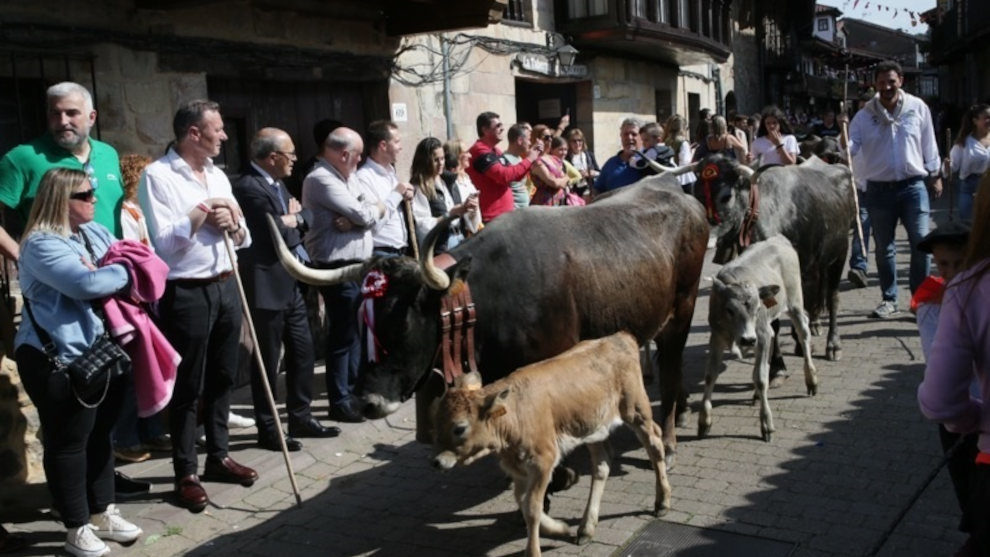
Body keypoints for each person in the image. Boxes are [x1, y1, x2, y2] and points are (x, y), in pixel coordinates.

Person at [15, 168, 142, 557]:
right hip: (55, 358)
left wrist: (111, 270)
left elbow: (139, 256)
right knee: (68, 442)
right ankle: (76, 526)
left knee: (102, 434)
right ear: (61, 200)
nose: (93, 200)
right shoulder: (40, 243)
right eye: (85, 195)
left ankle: (102, 511)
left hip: (99, 349)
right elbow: (85, 285)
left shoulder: (90, 233)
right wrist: (122, 271)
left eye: (93, 193)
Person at [139, 99, 257, 513]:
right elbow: (164, 243)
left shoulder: (219, 176)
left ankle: (219, 455)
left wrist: (235, 226)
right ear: (194, 133)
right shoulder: (157, 176)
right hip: (185, 291)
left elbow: (244, 238)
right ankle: (185, 472)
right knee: (188, 384)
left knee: (225, 375)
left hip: (226, 283)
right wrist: (201, 215)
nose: (224, 135)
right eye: (218, 129)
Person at [233, 127, 342, 453]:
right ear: (272, 157)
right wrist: (292, 220)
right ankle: (269, 429)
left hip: (291, 283)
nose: (296, 160)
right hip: (265, 286)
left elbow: (297, 222)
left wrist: (296, 218)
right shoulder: (247, 187)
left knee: (304, 350)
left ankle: (301, 416)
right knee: (267, 362)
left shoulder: (276, 184)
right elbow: (272, 233)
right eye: (290, 154)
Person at [840, 59, 943, 319]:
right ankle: (889, 299)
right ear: (875, 84)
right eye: (882, 82)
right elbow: (850, 150)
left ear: (901, 81)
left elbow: (929, 142)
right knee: (884, 248)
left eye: (891, 81)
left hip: (913, 186)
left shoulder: (917, 107)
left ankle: (919, 300)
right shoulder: (864, 117)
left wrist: (935, 174)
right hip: (878, 190)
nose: (887, 86)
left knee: (921, 242)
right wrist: (843, 135)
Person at [917, 191, 990, 556]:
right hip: (964, 416)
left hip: (978, 415)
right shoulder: (930, 303)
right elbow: (936, 359)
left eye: (957, 264)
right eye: (941, 265)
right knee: (964, 476)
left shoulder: (972, 291)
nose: (948, 273)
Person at [302, 127, 379, 424]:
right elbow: (365, 213)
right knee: (343, 332)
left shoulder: (348, 176)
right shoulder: (320, 178)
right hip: (337, 267)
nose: (360, 162)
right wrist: (363, 216)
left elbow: (373, 207)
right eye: (358, 156)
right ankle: (340, 399)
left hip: (358, 265)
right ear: (343, 154)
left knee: (355, 330)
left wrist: (362, 217)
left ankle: (353, 390)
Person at [0, 81, 126, 258]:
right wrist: (20, 256)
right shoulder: (23, 158)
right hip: (58, 275)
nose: (63, 121)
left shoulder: (108, 154)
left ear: (92, 117)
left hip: (114, 270)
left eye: (72, 113)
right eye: (55, 113)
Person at [354, 121, 415, 258]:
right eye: (397, 142)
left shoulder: (390, 172)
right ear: (383, 145)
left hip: (400, 250)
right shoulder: (364, 178)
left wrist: (407, 197)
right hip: (382, 253)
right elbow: (373, 224)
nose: (401, 147)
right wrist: (397, 194)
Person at [465, 111, 540, 223]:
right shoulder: (480, 150)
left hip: (503, 217)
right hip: (492, 219)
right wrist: (529, 159)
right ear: (485, 130)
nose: (502, 129)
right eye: (498, 126)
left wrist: (530, 161)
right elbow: (505, 176)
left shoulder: (495, 150)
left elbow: (514, 176)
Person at [409, 137, 479, 251]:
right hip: (439, 247)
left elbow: (472, 225)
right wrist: (449, 215)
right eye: (435, 160)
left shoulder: (450, 181)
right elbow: (422, 226)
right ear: (425, 161)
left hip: (460, 239)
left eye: (442, 159)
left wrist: (471, 209)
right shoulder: (419, 187)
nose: (441, 163)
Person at [948, 103, 990, 222]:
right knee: (969, 224)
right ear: (975, 121)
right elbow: (952, 167)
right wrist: (947, 166)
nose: (989, 121)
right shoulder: (964, 142)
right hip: (970, 187)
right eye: (986, 117)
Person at [593, 117, 644, 195]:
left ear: (642, 137)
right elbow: (598, 189)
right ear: (621, 136)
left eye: (634, 134)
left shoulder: (648, 163)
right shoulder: (610, 164)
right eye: (625, 134)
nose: (629, 137)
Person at [441, 139, 482, 224]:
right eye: (466, 152)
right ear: (456, 155)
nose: (470, 155)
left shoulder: (465, 179)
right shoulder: (449, 183)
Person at [499, 123, 533, 210]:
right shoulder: (504, 160)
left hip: (523, 210)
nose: (530, 143)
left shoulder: (519, 158)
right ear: (520, 140)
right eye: (529, 139)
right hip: (514, 213)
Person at [663, 114, 696, 194]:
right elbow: (685, 161)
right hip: (685, 177)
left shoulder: (666, 141)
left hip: (670, 175)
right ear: (683, 128)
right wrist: (692, 152)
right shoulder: (683, 142)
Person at [565, 128, 599, 198]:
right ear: (569, 143)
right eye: (574, 141)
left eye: (580, 140)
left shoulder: (589, 155)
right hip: (574, 192)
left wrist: (592, 173)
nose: (577, 143)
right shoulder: (566, 158)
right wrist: (577, 174)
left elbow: (599, 172)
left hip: (589, 190)